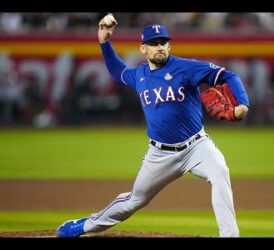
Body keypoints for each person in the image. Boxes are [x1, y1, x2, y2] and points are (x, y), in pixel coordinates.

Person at [56, 14, 249, 238]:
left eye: (163, 42)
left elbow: (229, 76)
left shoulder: (186, 67)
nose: (159, 47)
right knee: (134, 201)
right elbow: (117, 71)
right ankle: (84, 226)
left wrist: (243, 104)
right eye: (153, 43)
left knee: (220, 172)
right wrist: (105, 42)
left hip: (197, 146)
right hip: (159, 154)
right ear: (143, 49)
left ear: (169, 45)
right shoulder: (139, 75)